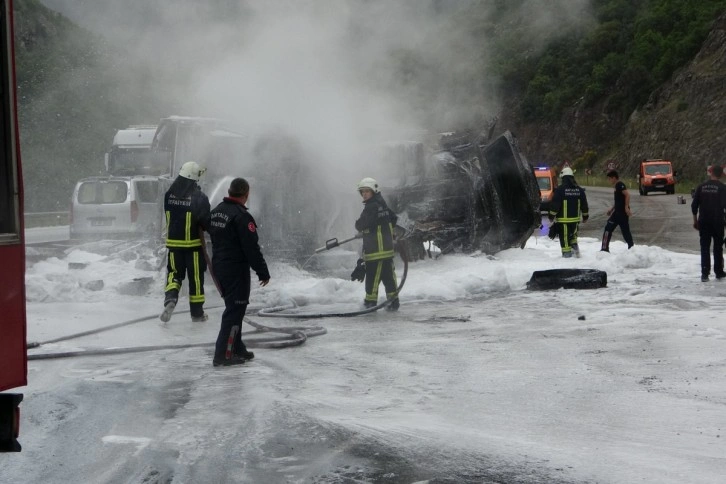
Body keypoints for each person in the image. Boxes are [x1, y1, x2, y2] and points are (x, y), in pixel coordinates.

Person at [208, 178, 270, 366]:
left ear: (229, 190)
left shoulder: (218, 211)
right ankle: (224, 354)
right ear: (246, 194)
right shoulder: (242, 217)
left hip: (220, 266)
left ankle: (236, 346)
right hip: (235, 269)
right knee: (235, 310)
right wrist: (263, 272)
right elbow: (251, 248)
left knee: (235, 308)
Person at [160, 161, 211, 323]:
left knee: (174, 275)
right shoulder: (199, 197)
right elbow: (205, 222)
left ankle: (171, 299)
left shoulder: (169, 195)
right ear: (194, 179)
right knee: (195, 279)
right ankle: (197, 314)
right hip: (193, 246)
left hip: (174, 245)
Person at [354, 177, 399, 310]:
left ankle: (370, 304)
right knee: (388, 278)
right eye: (362, 192)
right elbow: (393, 218)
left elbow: (360, 224)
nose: (364, 194)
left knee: (372, 279)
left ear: (374, 191)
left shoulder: (371, 207)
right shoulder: (381, 204)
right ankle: (393, 302)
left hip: (376, 252)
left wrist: (367, 229)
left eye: (367, 191)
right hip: (386, 251)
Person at [691, 164, 726, 281]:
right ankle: (719, 272)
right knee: (718, 247)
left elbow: (694, 205)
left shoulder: (701, 187)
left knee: (704, 247)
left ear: (711, 173)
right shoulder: (722, 188)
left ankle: (705, 274)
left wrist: (695, 221)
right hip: (718, 221)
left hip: (704, 221)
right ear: (721, 174)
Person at [548, 166, 589, 258]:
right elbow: (584, 206)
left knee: (565, 241)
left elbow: (555, 206)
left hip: (563, 222)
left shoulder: (560, 190)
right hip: (575, 221)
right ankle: (577, 255)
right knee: (573, 237)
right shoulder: (579, 190)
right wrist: (585, 217)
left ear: (563, 178)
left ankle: (567, 258)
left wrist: (551, 216)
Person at [601, 170, 634, 252]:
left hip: (622, 214)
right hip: (616, 213)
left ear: (614, 178)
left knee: (626, 233)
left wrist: (626, 207)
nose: (609, 181)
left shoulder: (620, 185)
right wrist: (611, 209)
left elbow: (627, 195)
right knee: (608, 228)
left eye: (609, 179)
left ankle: (632, 249)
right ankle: (604, 249)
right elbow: (619, 201)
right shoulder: (616, 186)